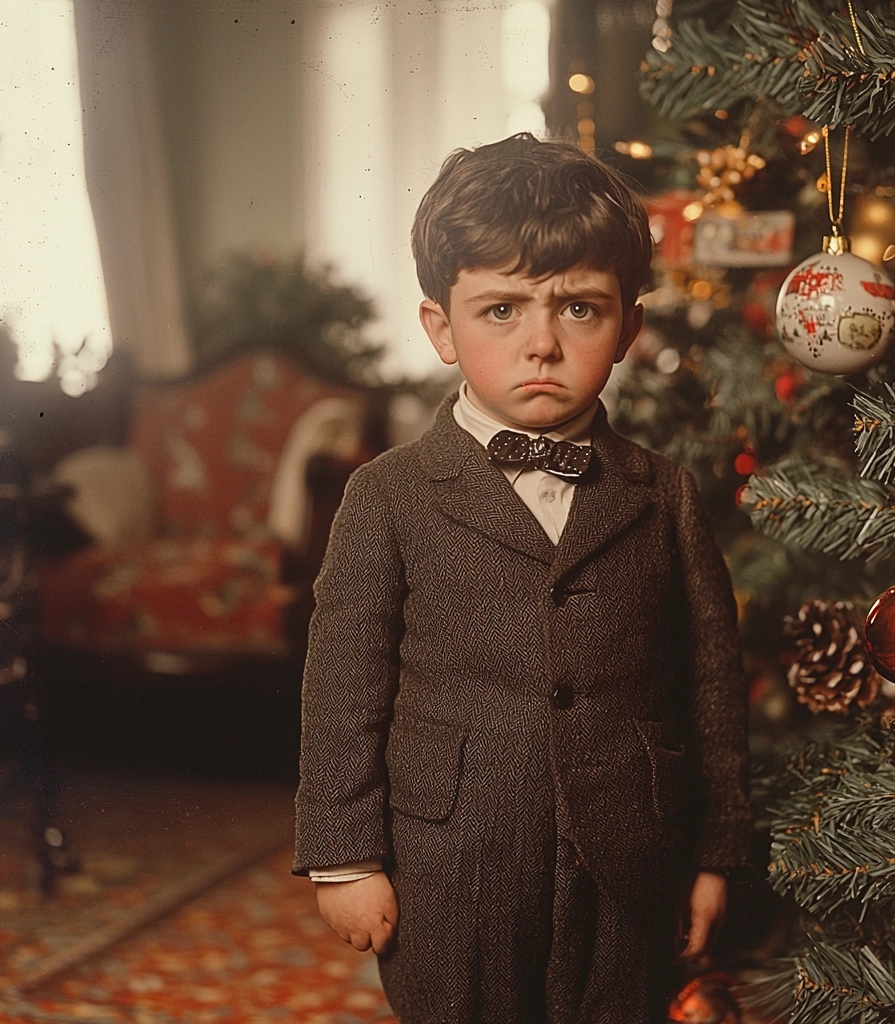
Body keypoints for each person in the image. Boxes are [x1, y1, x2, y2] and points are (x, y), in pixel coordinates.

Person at [293, 132, 751, 1024]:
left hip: (631, 852)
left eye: (579, 309)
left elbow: (712, 686)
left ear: (629, 326)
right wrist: (345, 857)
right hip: (449, 858)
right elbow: (343, 687)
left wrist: (714, 854)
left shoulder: (665, 496)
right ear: (441, 330)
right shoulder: (387, 496)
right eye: (502, 310)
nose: (541, 343)